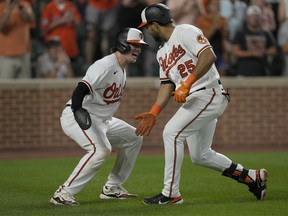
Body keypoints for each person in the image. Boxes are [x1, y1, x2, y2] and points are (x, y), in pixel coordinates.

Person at [135, 3, 267, 205]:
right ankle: (252, 177)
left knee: (171, 133)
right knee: (200, 155)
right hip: (196, 99)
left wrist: (187, 83)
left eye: (146, 27)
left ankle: (171, 194)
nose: (147, 31)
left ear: (154, 24)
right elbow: (167, 85)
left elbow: (208, 55)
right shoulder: (161, 53)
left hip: (209, 93)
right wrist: (154, 112)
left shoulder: (185, 31)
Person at [49, 27, 147, 206]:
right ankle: (62, 194)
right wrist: (78, 110)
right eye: (135, 45)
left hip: (103, 120)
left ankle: (112, 188)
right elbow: (80, 89)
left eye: (140, 45)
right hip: (78, 115)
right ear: (123, 44)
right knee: (100, 150)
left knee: (134, 138)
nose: (138, 49)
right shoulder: (105, 65)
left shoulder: (122, 68)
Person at [231, 5, 276, 76]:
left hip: (262, 72)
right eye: (253, 16)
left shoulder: (265, 33)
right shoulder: (241, 33)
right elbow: (235, 51)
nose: (255, 18)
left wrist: (264, 52)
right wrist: (252, 53)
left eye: (257, 16)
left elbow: (273, 50)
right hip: (244, 72)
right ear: (247, 18)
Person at [41, 0, 81, 74]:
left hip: (70, 48)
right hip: (54, 51)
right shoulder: (49, 7)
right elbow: (44, 29)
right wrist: (62, 20)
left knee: (69, 77)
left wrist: (72, 19)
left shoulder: (71, 6)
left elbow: (78, 23)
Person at [0, 0, 35, 79]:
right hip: (6, 56)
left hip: (24, 54)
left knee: (24, 88)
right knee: (5, 87)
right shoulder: (1, 7)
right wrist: (9, 9)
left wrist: (22, 10)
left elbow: (31, 20)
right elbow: (2, 27)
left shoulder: (25, 5)